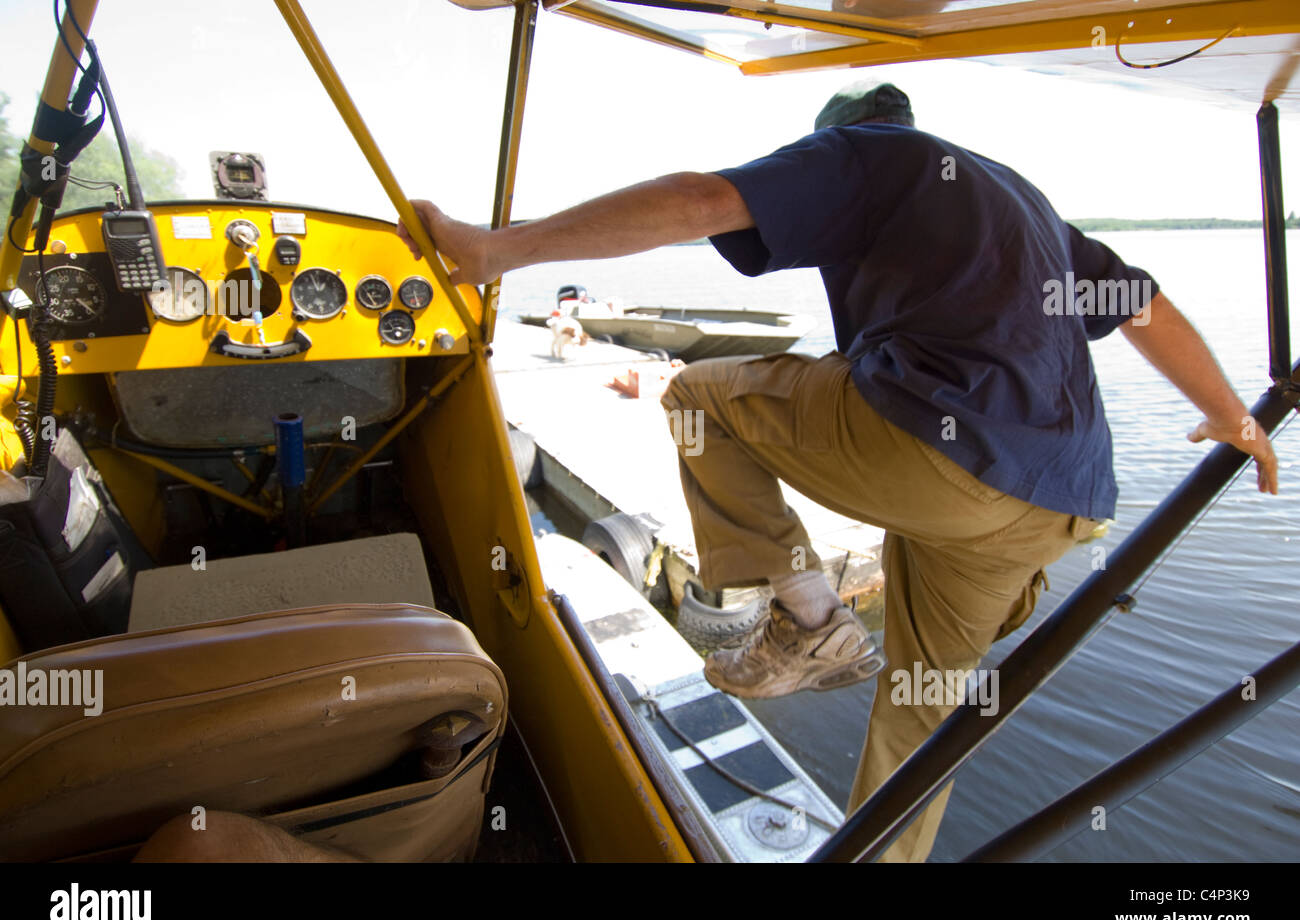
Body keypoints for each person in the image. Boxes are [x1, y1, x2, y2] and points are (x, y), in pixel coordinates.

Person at [398, 81, 1278, 862]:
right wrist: (1236, 417)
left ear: (843, 136)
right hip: (1060, 501)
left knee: (700, 400)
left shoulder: (864, 155)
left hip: (944, 455)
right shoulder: (1018, 197)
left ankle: (812, 621)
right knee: (922, 708)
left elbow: (701, 199)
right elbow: (1138, 302)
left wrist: (499, 249)